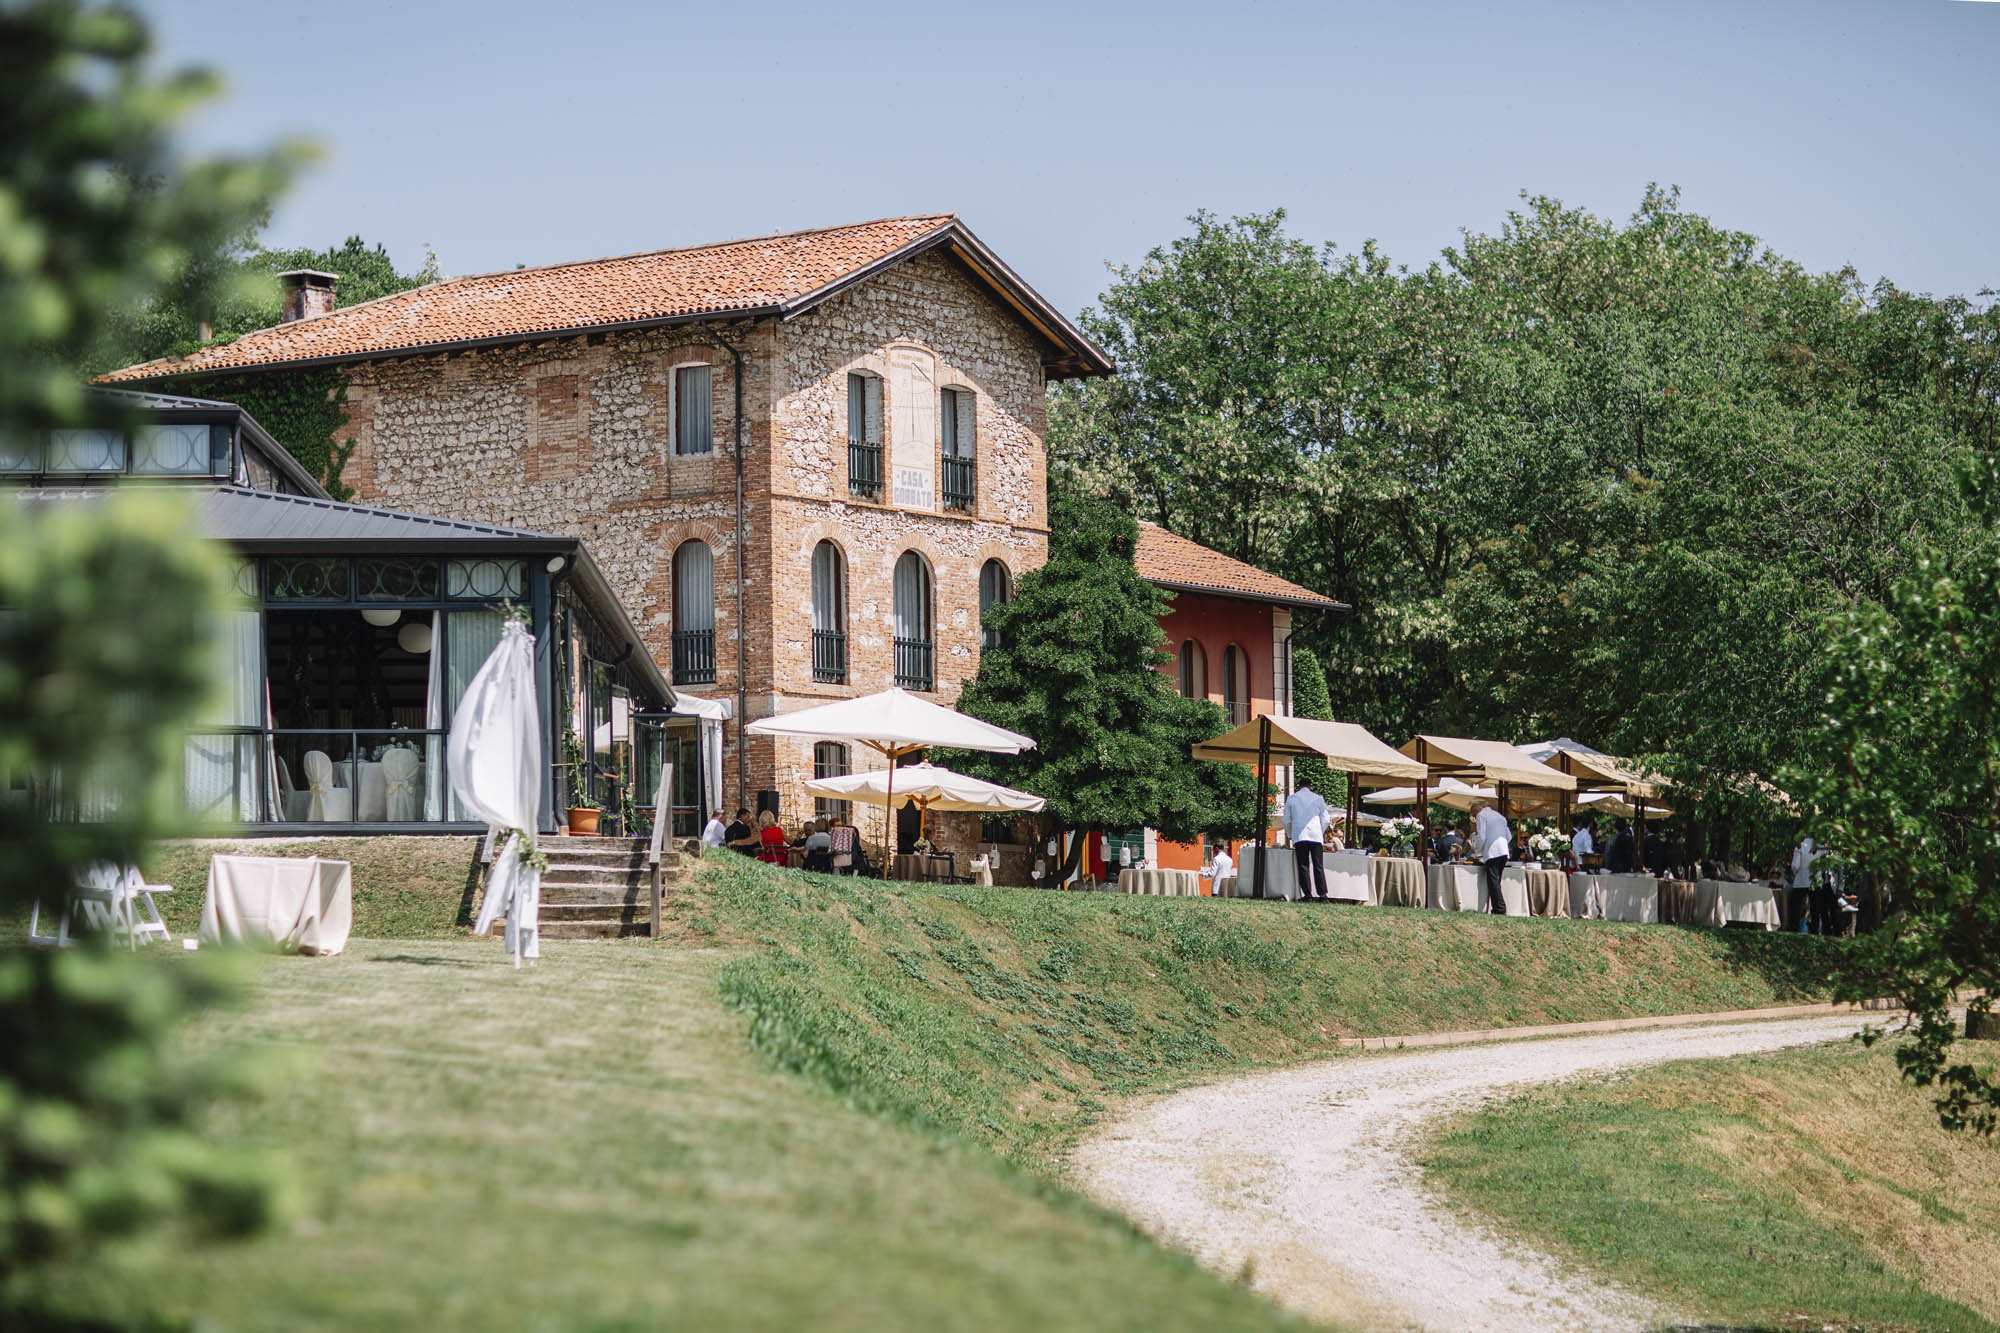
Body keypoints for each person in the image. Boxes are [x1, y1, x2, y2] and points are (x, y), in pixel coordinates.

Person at [1281, 780, 1331, 902]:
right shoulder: (1318, 798)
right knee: (1318, 865)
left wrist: (1290, 834)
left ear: (1299, 786)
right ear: (1310, 786)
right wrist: (1320, 831)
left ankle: (1308, 895)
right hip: (1315, 836)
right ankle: (1323, 895)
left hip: (1300, 835)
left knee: (1303, 865)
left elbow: (1286, 820)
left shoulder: (1292, 798)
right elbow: (1326, 819)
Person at [1473, 799, 1511, 915]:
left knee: (1493, 881)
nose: (1474, 818)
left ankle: (1500, 909)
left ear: (1476, 811)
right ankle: (1496, 907)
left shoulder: (1481, 815)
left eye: (1473, 815)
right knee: (1496, 880)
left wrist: (1476, 850)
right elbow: (1509, 836)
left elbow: (1482, 836)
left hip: (1493, 851)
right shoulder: (1500, 817)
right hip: (1504, 851)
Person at [1788, 835, 1819, 934]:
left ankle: (1794, 928)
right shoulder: (1820, 846)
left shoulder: (1800, 846)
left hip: (1801, 880)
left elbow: (1795, 865)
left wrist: (1794, 873)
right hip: (1815, 881)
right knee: (1815, 908)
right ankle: (1815, 930)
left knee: (1795, 906)